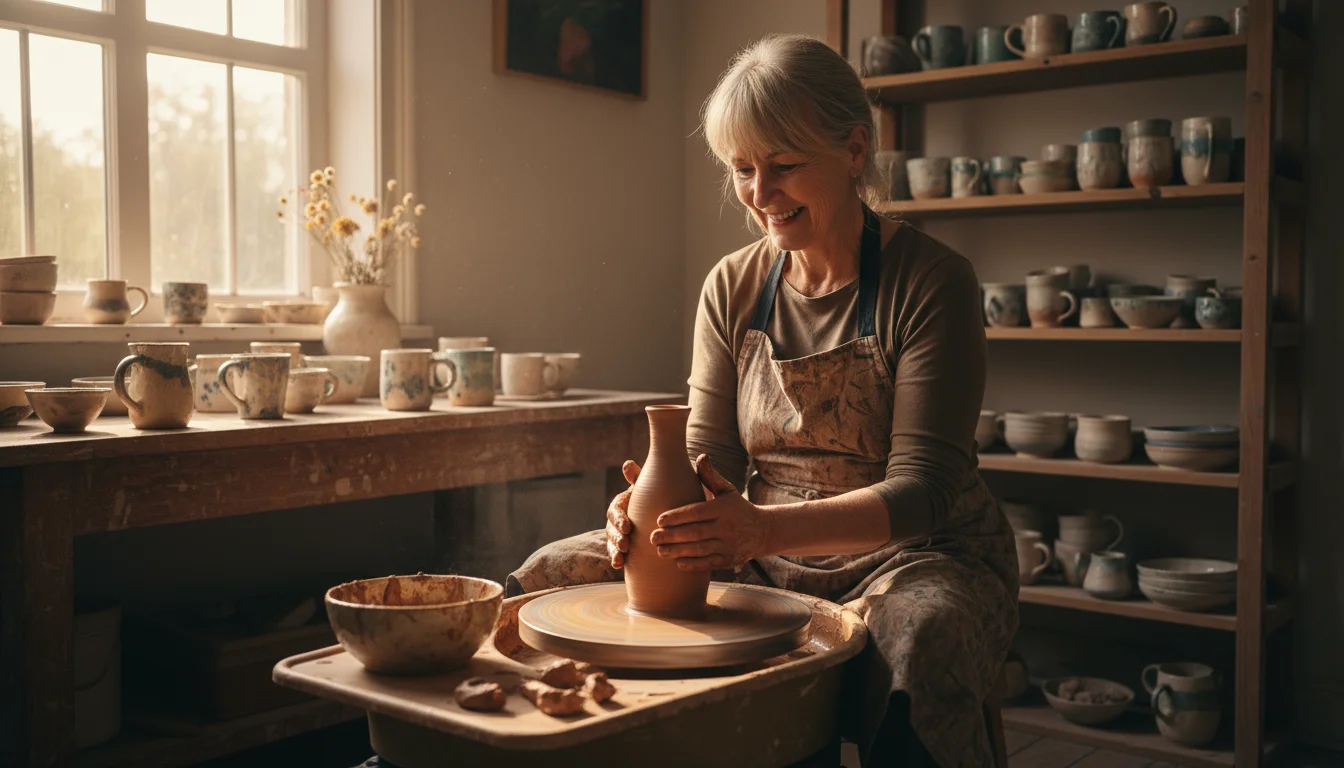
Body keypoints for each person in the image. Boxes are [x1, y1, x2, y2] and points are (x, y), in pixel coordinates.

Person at [506, 33, 1018, 767]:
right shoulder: (733, 285)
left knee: (919, 637)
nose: (758, 194)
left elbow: (924, 493)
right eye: (742, 169)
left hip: (917, 555)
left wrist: (757, 532)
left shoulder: (932, 280)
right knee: (546, 577)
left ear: (853, 150)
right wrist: (647, 513)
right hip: (759, 546)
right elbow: (708, 457)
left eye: (783, 167)